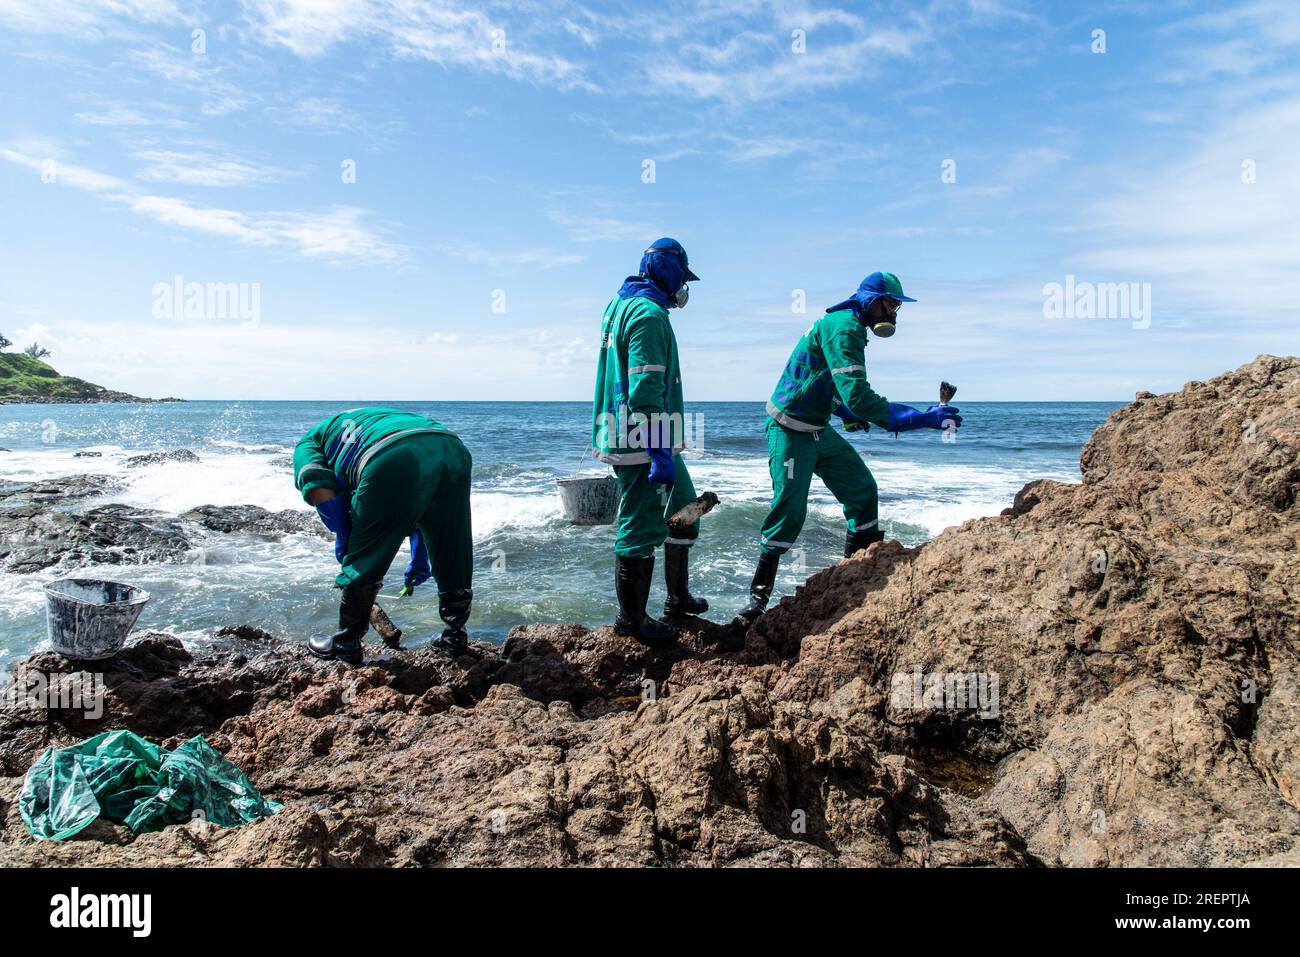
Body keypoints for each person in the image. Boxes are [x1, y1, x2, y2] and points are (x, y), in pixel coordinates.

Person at [735, 272, 961, 624]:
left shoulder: (847, 323)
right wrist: (922, 418)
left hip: (816, 427)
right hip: (789, 427)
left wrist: (843, 412)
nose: (896, 312)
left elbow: (826, 379)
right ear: (872, 301)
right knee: (789, 511)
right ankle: (756, 602)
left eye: (898, 306)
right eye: (892, 304)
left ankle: (851, 575)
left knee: (862, 489)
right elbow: (859, 394)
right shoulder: (845, 329)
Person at [591, 238, 707, 647]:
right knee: (638, 529)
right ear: (672, 274)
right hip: (640, 440)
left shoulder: (619, 304)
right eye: (683, 279)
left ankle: (677, 598)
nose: (684, 290)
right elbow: (643, 392)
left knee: (687, 510)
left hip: (647, 433)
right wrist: (659, 453)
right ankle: (632, 622)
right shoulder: (649, 314)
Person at [293, 408, 473, 664]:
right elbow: (420, 504)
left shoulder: (309, 442)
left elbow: (315, 482)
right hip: (451, 446)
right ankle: (455, 636)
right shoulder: (374, 419)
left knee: (368, 554)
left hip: (391, 452)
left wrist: (347, 538)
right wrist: (421, 555)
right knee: (452, 538)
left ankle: (347, 643)